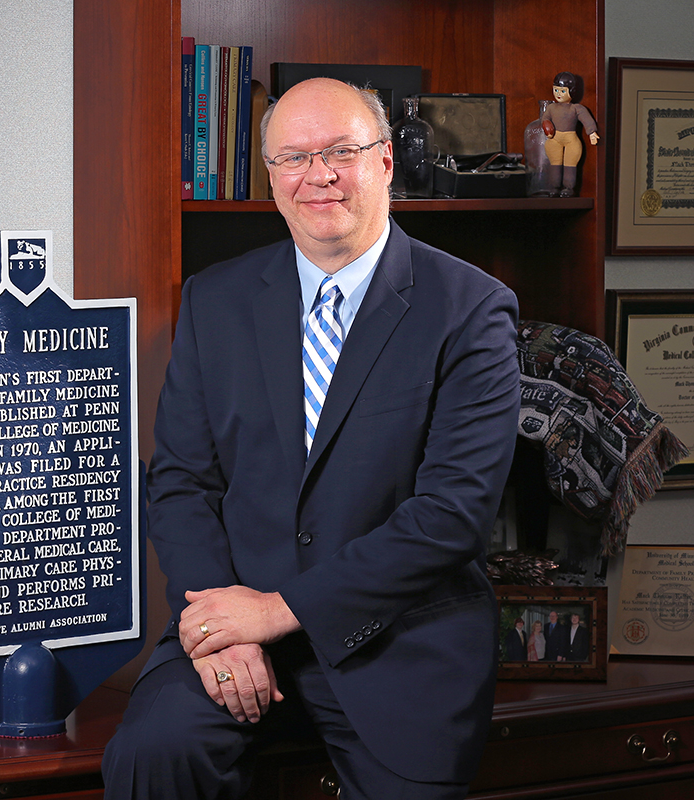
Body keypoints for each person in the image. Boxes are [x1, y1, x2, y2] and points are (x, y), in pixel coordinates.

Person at [101, 78, 521, 800]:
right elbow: (181, 484)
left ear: (386, 161)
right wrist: (227, 628)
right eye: (294, 158)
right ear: (270, 178)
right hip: (232, 624)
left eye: (341, 152)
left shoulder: (471, 310)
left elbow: (451, 516)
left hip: (399, 643)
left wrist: (278, 611)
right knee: (153, 752)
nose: (318, 176)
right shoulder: (215, 301)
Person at [540, 71, 599, 197]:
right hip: (554, 139)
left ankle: (568, 188)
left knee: (570, 164)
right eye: (556, 90)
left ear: (571, 91)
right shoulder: (551, 108)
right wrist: (547, 127)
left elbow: (586, 119)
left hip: (571, 139)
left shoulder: (576, 108)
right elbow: (544, 119)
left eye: (562, 91)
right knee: (555, 163)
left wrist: (591, 132)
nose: (558, 94)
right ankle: (554, 187)